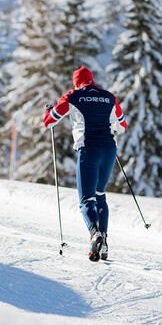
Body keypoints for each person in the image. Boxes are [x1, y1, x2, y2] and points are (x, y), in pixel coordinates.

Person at [43, 66, 127, 262]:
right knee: (100, 195)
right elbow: (122, 127)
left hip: (89, 149)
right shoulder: (109, 97)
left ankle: (94, 233)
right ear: (92, 80)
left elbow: (50, 122)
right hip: (109, 150)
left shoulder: (72, 96)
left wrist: (48, 111)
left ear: (76, 82)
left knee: (86, 199)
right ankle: (103, 241)